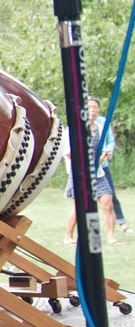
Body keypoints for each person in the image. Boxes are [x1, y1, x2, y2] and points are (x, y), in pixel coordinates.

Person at [65, 96, 119, 247]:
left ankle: (111, 237)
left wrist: (105, 155)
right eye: (89, 107)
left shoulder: (100, 128)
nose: (93, 110)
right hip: (80, 174)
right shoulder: (74, 129)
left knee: (107, 203)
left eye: (95, 107)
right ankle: (68, 236)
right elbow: (68, 153)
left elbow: (99, 154)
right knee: (79, 207)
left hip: (97, 173)